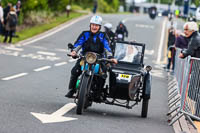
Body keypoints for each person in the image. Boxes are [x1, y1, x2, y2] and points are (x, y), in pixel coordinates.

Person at [65, 15, 118, 98]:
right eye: (93, 25)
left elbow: (107, 47)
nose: (94, 27)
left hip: (99, 59)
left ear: (99, 27)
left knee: (103, 74)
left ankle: (98, 93)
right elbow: (78, 43)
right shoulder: (85, 34)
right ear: (90, 25)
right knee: (75, 71)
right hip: (85, 57)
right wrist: (74, 52)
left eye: (96, 25)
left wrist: (110, 57)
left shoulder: (103, 36)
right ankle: (71, 90)